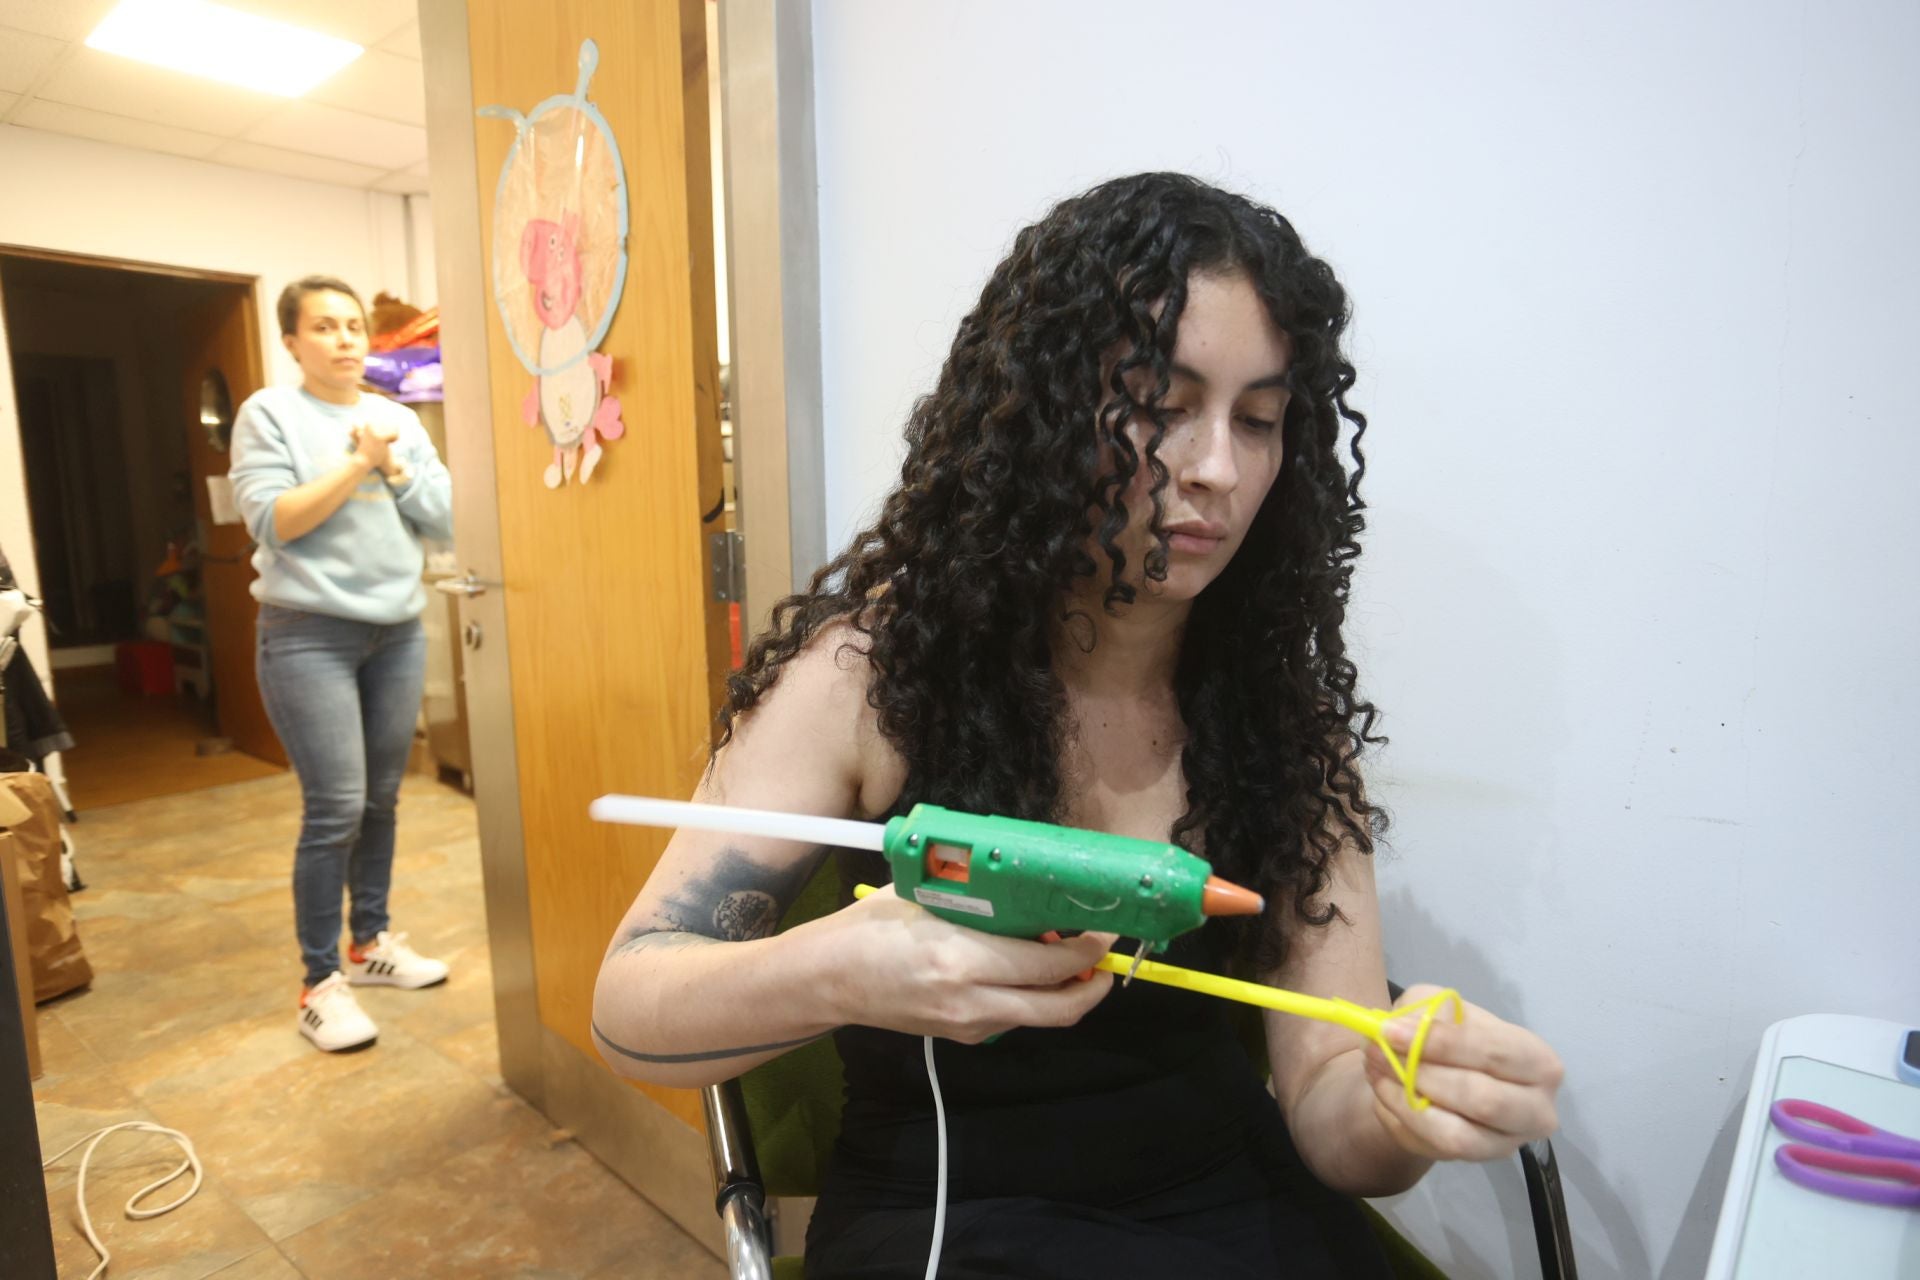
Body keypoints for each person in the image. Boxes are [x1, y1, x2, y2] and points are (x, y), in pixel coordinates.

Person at [592, 174, 1565, 1277]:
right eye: (1161, 403)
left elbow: (1329, 1110)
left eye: (1257, 418)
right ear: (1045, 409)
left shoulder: (1280, 721)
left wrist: (1399, 1104)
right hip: (949, 1213)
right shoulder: (873, 676)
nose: (1217, 468)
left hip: (1231, 1203)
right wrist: (840, 969)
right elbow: (630, 1009)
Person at [229, 275, 455, 1053]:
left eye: (354, 325)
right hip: (306, 635)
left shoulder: (397, 419)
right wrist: (361, 463)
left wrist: (395, 466)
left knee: (381, 802)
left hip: (395, 633)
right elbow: (276, 521)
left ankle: (370, 946)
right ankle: (319, 982)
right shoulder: (269, 414)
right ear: (292, 342)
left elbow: (449, 517)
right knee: (336, 808)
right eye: (324, 327)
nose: (346, 339)